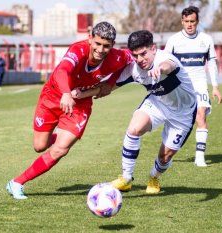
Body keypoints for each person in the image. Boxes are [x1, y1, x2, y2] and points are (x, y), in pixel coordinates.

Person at [6, 22, 132, 200]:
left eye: (106, 46)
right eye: (97, 44)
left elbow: (135, 60)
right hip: (53, 97)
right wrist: (66, 93)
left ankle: (17, 182)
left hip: (80, 104)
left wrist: (110, 84)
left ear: (112, 45)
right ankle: (61, 134)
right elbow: (62, 71)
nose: (101, 49)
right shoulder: (77, 50)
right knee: (40, 146)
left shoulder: (119, 57)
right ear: (90, 39)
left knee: (61, 149)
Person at [73, 30, 197, 194]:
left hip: (183, 113)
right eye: (135, 55)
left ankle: (154, 177)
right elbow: (107, 88)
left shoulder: (165, 59)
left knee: (164, 157)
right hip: (158, 103)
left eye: (143, 54)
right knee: (134, 129)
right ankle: (126, 178)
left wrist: (160, 68)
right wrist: (82, 94)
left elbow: (170, 65)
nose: (140, 60)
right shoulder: (134, 68)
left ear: (153, 48)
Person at [164, 6, 222, 167]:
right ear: (182, 22)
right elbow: (164, 61)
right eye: (186, 21)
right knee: (175, 120)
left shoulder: (206, 39)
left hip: (199, 84)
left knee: (201, 115)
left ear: (198, 22)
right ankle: (168, 150)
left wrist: (215, 87)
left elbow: (211, 64)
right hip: (179, 86)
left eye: (193, 21)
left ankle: (199, 157)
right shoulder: (174, 40)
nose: (189, 24)